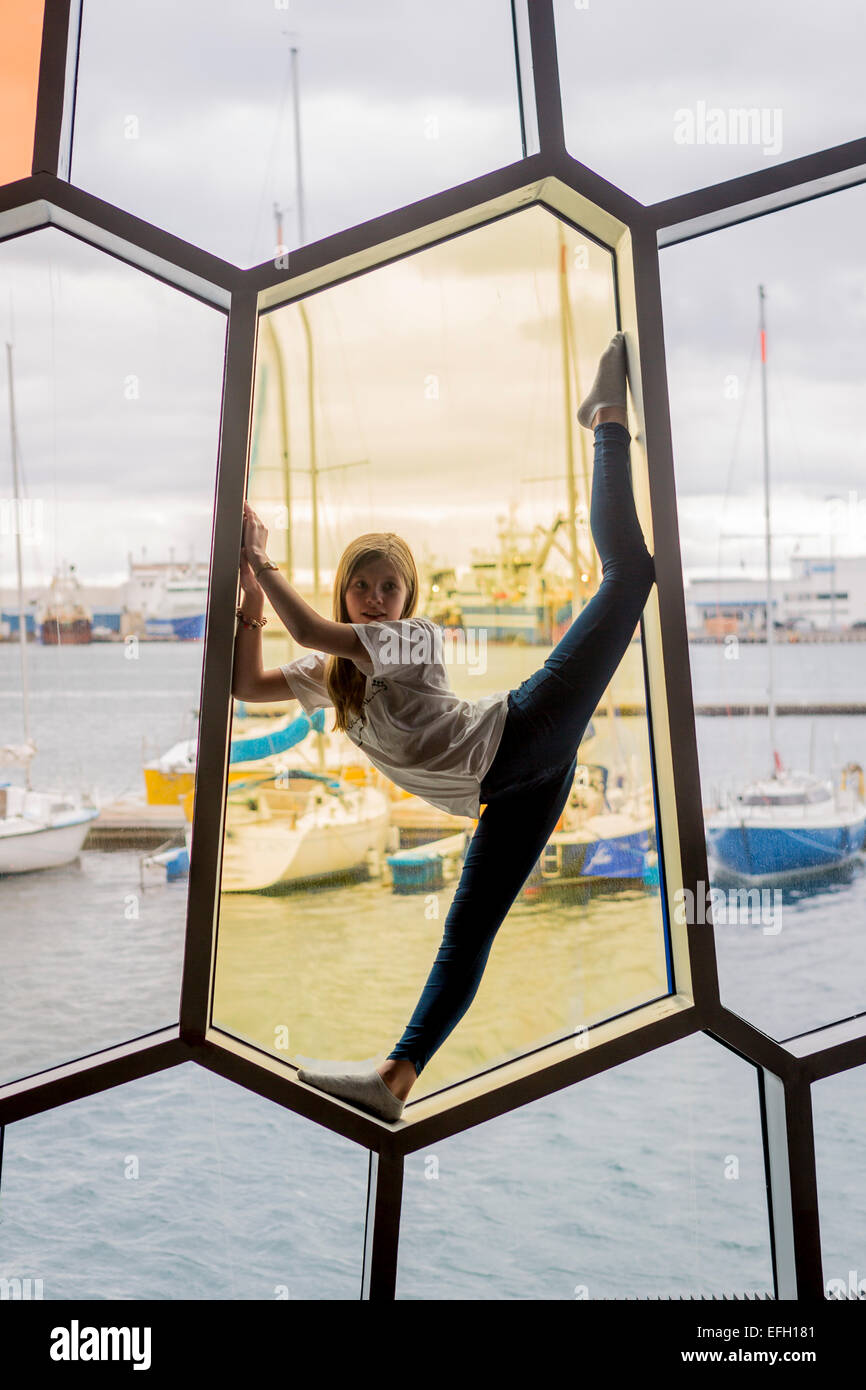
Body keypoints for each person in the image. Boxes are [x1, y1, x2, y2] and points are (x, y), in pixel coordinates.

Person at [234, 332, 655, 1123]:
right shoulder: (332, 684)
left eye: (388, 586)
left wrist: (263, 565)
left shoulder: (411, 639)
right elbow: (244, 682)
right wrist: (248, 601)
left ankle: (604, 419)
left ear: (406, 597)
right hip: (509, 793)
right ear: (346, 587)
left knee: (631, 575)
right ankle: (392, 1082)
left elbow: (314, 634)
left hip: (522, 733)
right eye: (360, 585)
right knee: (466, 937)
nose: (374, 597)